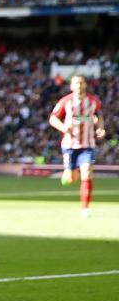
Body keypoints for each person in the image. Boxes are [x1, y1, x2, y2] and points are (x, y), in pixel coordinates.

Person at [49, 74, 105, 217]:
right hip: (70, 145)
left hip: (87, 145)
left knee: (86, 173)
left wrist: (100, 127)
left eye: (81, 83)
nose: (79, 86)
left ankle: (85, 208)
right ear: (71, 86)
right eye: (76, 83)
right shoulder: (65, 101)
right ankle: (68, 173)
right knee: (72, 178)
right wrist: (63, 128)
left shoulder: (93, 101)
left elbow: (99, 116)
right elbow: (53, 118)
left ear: (85, 85)